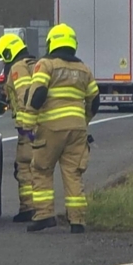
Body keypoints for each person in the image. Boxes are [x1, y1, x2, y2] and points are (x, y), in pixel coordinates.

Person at [23, 24, 99, 234]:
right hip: (77, 130)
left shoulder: (46, 64)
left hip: (51, 128)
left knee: (41, 169)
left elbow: (37, 94)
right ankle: (77, 221)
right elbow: (94, 101)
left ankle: (44, 215)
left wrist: (28, 124)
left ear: (52, 42)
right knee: (73, 173)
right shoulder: (84, 69)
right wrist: (84, 121)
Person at [0, 33, 37, 222]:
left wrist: (26, 126)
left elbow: (24, 96)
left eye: (4, 57)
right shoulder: (35, 65)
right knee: (40, 169)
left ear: (10, 53)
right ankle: (42, 209)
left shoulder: (18, 69)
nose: (4, 62)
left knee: (24, 167)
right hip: (42, 125)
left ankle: (29, 208)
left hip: (28, 128)